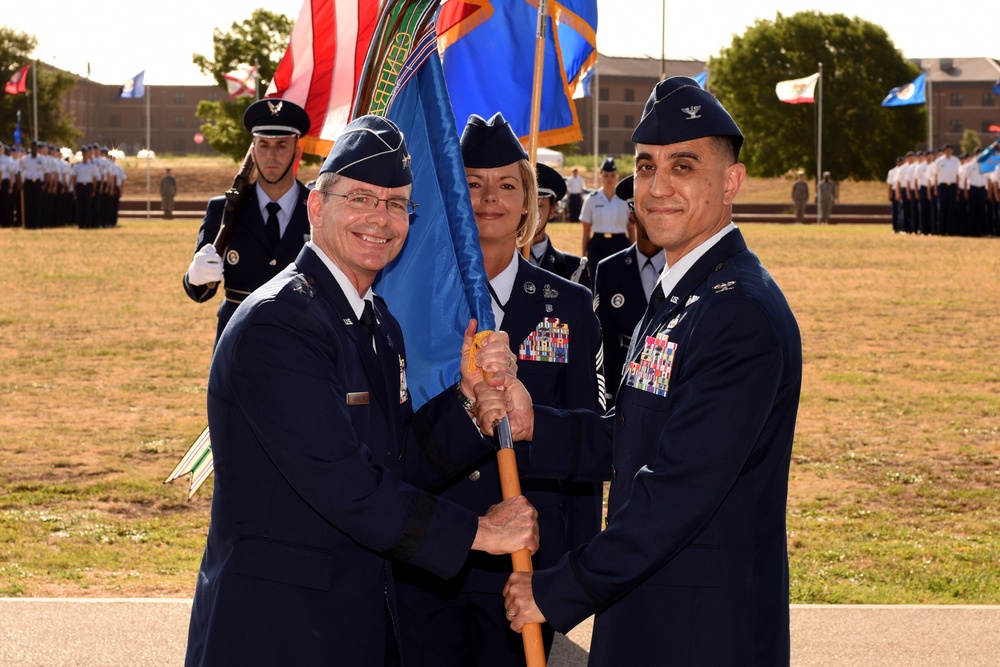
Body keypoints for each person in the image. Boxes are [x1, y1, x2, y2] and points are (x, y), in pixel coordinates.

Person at [184, 114, 540, 667]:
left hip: (350, 622)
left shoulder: (374, 322)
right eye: (362, 199)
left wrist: (468, 405)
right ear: (317, 207)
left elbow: (393, 461)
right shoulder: (279, 324)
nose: (382, 219)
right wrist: (479, 532)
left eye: (397, 204)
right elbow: (345, 484)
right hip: (278, 632)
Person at [477, 76, 802, 665]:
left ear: (731, 181)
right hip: (651, 611)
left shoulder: (738, 311)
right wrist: (533, 425)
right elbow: (633, 436)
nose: (657, 188)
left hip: (702, 630)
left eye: (683, 167)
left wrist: (555, 590)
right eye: (647, 167)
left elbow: (678, 490)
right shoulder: (682, 294)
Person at [394, 112, 606, 667]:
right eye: (472, 183)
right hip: (433, 549)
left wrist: (572, 567)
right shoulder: (413, 302)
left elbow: (586, 445)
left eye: (507, 184)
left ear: (528, 201)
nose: (490, 197)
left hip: (524, 563)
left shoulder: (571, 306)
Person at [182, 99, 313, 345]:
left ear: (297, 152)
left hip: (301, 340)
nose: (271, 155)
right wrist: (196, 275)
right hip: (238, 340)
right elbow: (199, 291)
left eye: (282, 145)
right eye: (263, 145)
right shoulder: (223, 209)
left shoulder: (318, 209)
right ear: (253, 151)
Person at [592, 174, 665, 407]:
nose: (654, 214)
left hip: (674, 380)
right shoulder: (609, 269)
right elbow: (603, 338)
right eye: (645, 208)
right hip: (624, 375)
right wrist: (608, 392)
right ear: (631, 214)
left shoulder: (686, 266)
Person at [528, 162, 590, 289]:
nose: (530, 214)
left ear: (552, 211)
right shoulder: (492, 264)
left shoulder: (573, 269)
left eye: (539, 206)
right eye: (525, 205)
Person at [580, 157, 633, 281]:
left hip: (620, 244)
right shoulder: (592, 199)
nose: (609, 178)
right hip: (598, 245)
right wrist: (583, 255)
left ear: (617, 177)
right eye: (606, 175)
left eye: (612, 175)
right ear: (600, 177)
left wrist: (633, 252)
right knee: (596, 280)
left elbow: (631, 229)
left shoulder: (625, 200)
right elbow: (586, 231)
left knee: (620, 282)